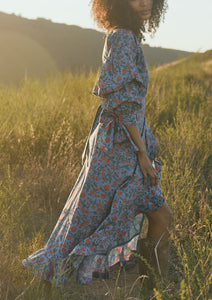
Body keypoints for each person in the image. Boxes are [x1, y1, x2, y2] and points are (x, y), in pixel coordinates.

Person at [22, 0, 172, 290]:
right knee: (95, 217)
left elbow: (129, 103)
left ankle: (151, 289)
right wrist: (142, 153)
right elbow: (119, 101)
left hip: (120, 145)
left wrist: (145, 143)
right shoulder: (123, 37)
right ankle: (152, 289)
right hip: (119, 150)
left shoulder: (124, 36)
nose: (145, 3)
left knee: (92, 216)